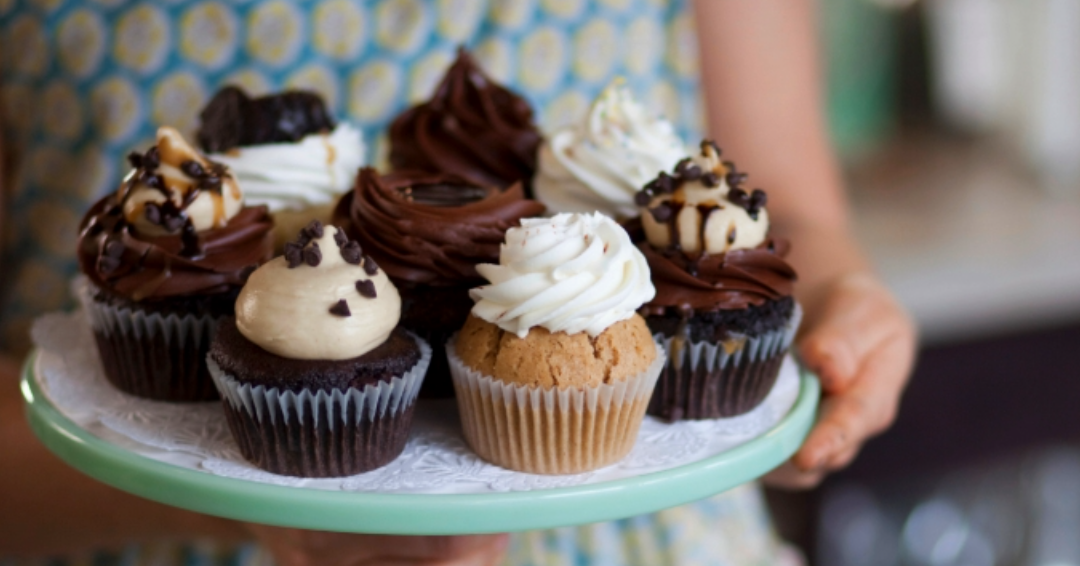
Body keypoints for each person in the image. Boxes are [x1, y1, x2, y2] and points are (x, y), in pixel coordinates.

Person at [0, 0, 916, 564]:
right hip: (121, 530)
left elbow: (789, 209)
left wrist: (845, 300)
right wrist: (271, 496)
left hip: (649, 534)